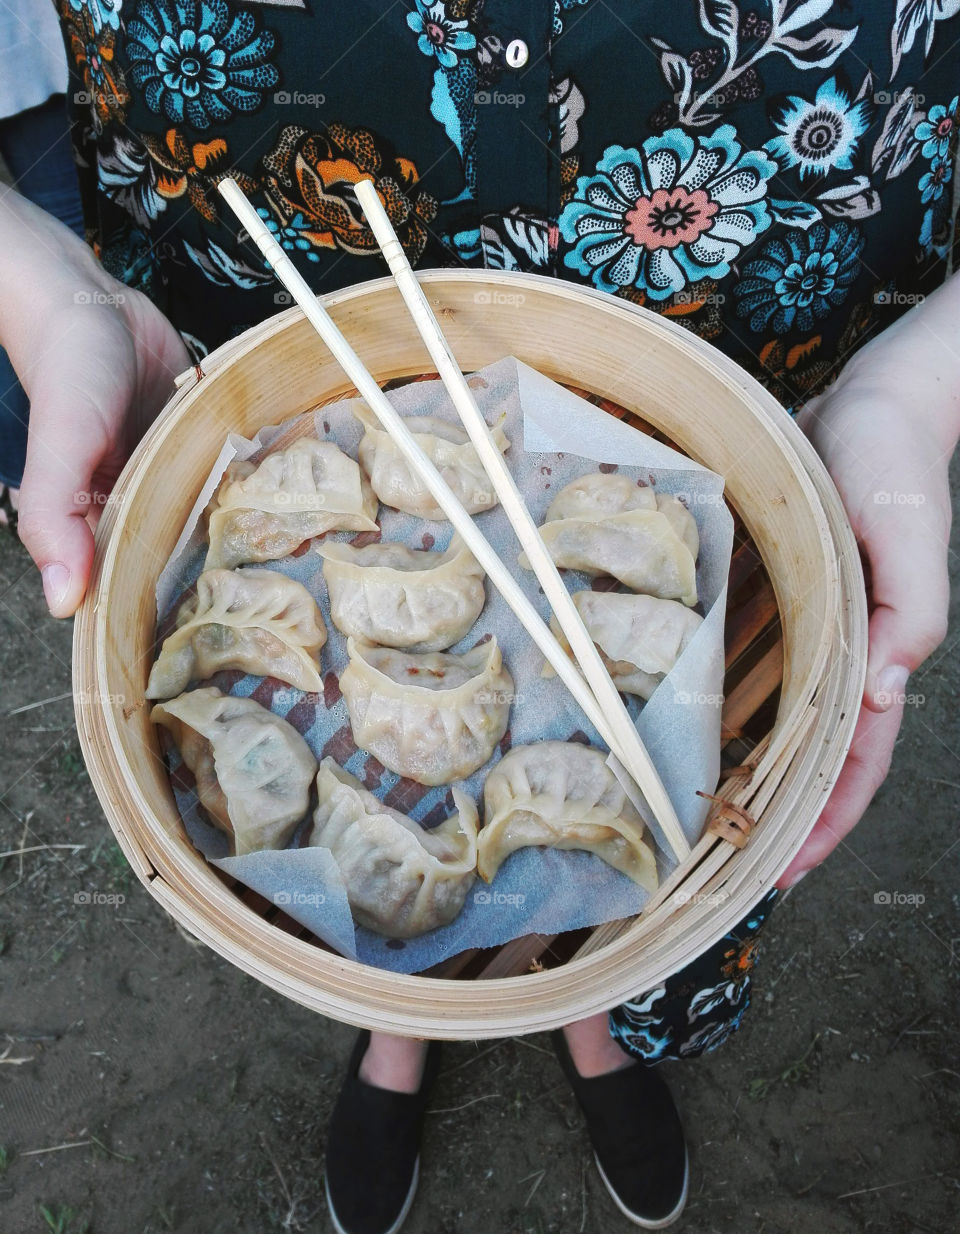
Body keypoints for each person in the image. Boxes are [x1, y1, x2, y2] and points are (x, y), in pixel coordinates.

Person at [2, 3, 957, 1229]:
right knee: (387, 856)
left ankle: (586, 1003)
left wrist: (917, 389)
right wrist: (46, 297)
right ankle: (404, 1010)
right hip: (264, 287)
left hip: (751, 306)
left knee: (629, 820)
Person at [0, 0, 83, 523]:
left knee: (68, 270)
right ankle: (15, 463)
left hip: (27, 47)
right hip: (27, 47)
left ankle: (24, 466)